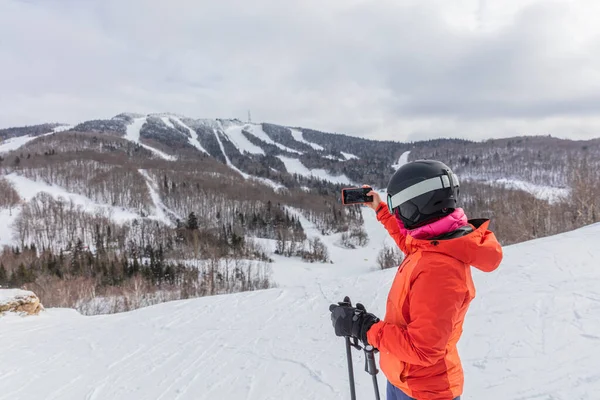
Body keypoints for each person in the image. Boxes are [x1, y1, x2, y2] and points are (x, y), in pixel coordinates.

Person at [329, 160, 503, 400]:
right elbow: (410, 242)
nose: (398, 215)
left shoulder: (439, 271)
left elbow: (423, 349)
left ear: (417, 207)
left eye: (399, 208)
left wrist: (365, 328)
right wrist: (380, 210)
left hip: (424, 392)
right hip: (404, 380)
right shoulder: (439, 244)